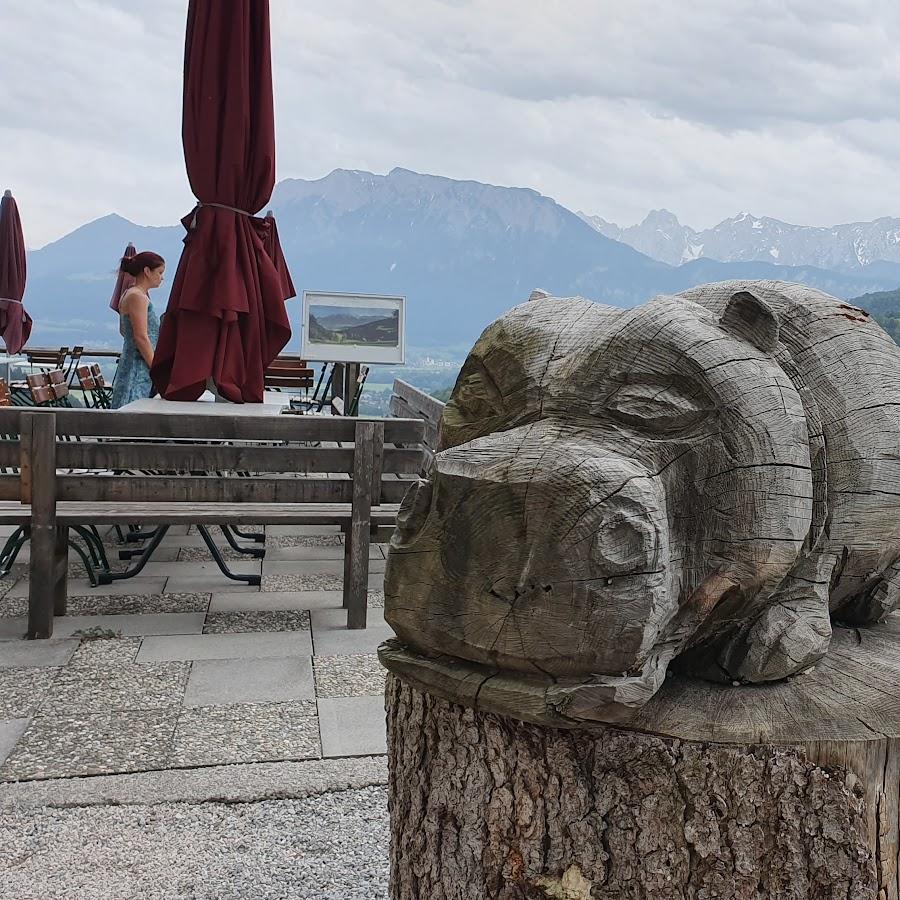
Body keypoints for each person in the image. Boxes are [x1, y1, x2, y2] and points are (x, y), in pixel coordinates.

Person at [109, 250, 164, 409]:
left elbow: (124, 330)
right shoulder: (138, 297)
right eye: (159, 272)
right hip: (138, 368)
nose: (162, 277)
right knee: (132, 411)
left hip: (133, 362)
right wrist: (156, 369)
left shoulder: (130, 293)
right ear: (147, 271)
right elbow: (141, 337)